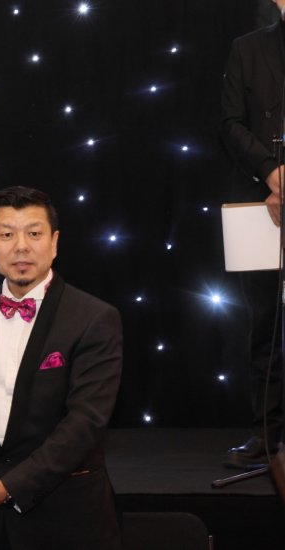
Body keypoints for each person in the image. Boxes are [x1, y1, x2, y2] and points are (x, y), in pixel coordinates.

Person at [0, 187, 123, 549]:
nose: (21, 246)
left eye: (34, 233)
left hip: (65, 519)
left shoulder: (95, 318)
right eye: (6, 235)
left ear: (54, 243)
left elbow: (85, 423)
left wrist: (10, 487)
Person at [219, 0, 285, 469]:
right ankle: (266, 434)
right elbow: (230, 122)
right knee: (264, 325)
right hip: (259, 205)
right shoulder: (247, 49)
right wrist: (272, 173)